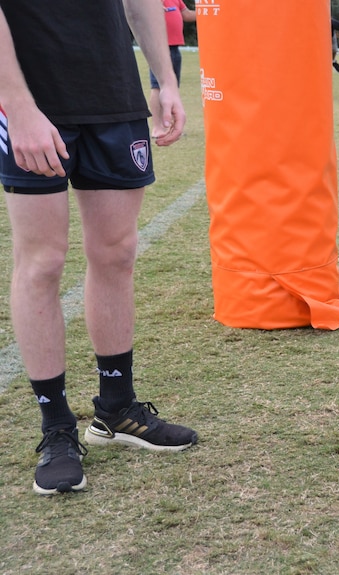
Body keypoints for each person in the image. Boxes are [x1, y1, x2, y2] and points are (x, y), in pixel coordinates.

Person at [0, 0, 198, 496]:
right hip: (32, 100)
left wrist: (164, 81)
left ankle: (116, 409)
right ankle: (57, 428)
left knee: (116, 253)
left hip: (113, 95)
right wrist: (17, 107)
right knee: (41, 263)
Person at [149, 0, 196, 128]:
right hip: (160, 48)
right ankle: (157, 127)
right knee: (157, 87)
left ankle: (171, 125)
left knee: (172, 88)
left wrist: (205, 13)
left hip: (175, 48)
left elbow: (186, 15)